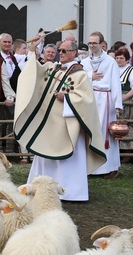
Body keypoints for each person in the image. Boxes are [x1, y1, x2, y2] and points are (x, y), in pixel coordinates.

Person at [14, 36, 106, 202]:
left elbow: (87, 101)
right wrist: (32, 49)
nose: (60, 53)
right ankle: (40, 189)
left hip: (67, 125)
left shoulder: (81, 75)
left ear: (74, 52)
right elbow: (32, 72)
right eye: (59, 50)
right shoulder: (53, 68)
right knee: (45, 153)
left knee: (68, 159)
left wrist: (68, 98)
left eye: (64, 51)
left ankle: (71, 192)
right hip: (48, 124)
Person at [81, 32, 123, 179]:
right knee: (90, 132)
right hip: (90, 99)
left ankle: (109, 168)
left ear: (101, 44)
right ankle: (91, 168)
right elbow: (78, 79)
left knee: (106, 134)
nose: (92, 46)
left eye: (95, 43)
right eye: (90, 43)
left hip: (105, 100)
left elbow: (115, 83)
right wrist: (89, 76)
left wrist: (118, 104)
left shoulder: (110, 61)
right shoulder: (85, 62)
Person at [115, 48, 133, 156]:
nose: (119, 60)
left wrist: (123, 98)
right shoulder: (113, 69)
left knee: (128, 127)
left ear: (127, 60)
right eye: (117, 58)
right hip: (114, 101)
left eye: (122, 58)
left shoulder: (132, 71)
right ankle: (117, 151)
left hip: (127, 101)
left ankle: (128, 153)